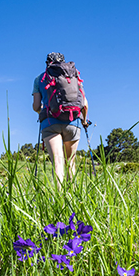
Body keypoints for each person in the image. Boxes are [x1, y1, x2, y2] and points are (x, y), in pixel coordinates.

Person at [32, 52, 89, 185]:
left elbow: (35, 106)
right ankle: (73, 198)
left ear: (47, 63)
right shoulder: (74, 76)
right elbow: (84, 104)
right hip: (73, 122)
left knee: (58, 162)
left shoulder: (40, 79)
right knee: (70, 163)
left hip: (50, 123)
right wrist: (84, 121)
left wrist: (43, 110)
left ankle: (59, 200)